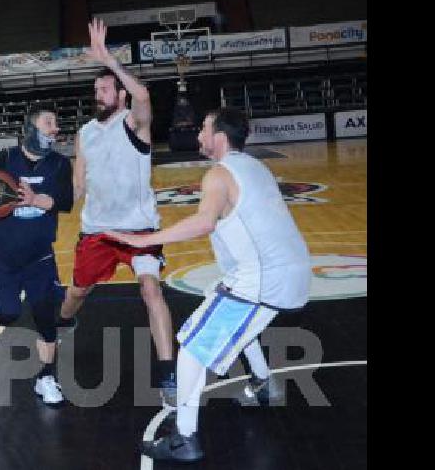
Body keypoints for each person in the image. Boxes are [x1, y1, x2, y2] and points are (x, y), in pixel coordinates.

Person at [107, 108, 311, 463]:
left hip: (264, 280)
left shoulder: (219, 174)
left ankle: (185, 438)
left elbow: (204, 223)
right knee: (221, 303)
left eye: (203, 126)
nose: (197, 131)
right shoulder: (255, 166)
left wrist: (143, 241)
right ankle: (262, 383)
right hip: (289, 272)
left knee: (191, 347)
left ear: (219, 136)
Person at [55, 18, 177, 404]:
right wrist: (47, 203)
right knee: (77, 291)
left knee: (150, 289)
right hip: (98, 230)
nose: (100, 92)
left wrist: (110, 60)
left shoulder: (135, 125)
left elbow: (143, 98)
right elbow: (77, 184)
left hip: (140, 230)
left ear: (120, 94)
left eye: (106, 87)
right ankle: (63, 322)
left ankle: (167, 370)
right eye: (97, 88)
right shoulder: (85, 134)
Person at [0, 109, 74, 406]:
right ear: (30, 128)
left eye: (56, 123)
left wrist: (34, 199)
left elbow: (64, 202)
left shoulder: (59, 164)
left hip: (40, 257)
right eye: (48, 123)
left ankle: (46, 377)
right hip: (4, 256)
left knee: (46, 318)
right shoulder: (4, 159)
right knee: (9, 313)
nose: (55, 129)